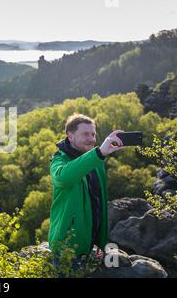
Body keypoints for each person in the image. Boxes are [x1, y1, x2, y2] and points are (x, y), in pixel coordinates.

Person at [48, 113, 125, 274]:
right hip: (67, 249)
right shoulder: (59, 160)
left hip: (90, 247)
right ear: (70, 136)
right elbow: (64, 177)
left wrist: (102, 244)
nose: (91, 138)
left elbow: (99, 204)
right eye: (85, 134)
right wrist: (99, 153)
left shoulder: (96, 163)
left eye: (93, 134)